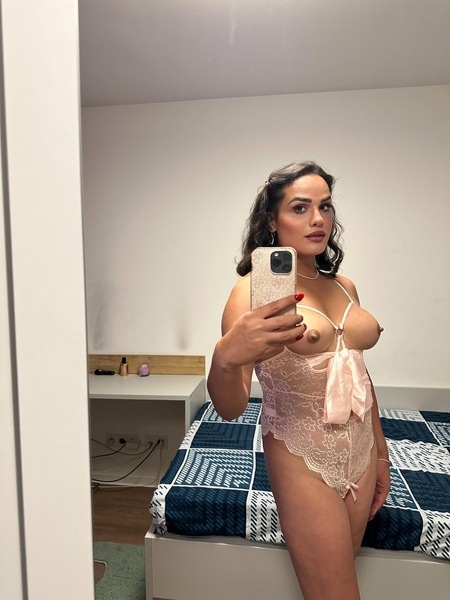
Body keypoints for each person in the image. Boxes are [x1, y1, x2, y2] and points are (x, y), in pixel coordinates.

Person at [207, 161, 390, 600]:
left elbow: (359, 376)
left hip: (361, 451)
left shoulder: (344, 286)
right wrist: (225, 359)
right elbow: (230, 408)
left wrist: (382, 455)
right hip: (301, 455)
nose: (317, 219)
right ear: (272, 220)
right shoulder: (252, 291)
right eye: (300, 207)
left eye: (325, 206)